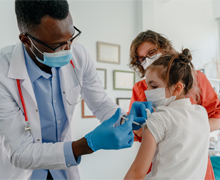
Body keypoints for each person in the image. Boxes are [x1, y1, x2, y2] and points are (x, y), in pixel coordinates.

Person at [0, 0, 145, 179]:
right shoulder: (3, 72)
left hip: (63, 171)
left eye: (71, 38)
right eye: (58, 45)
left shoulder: (79, 55)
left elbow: (100, 104)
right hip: (25, 173)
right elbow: (21, 152)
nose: (68, 49)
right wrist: (88, 144)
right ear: (26, 40)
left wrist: (126, 119)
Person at [128, 30, 220, 179]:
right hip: (160, 164)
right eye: (141, 59)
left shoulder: (196, 78)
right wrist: (135, 126)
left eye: (151, 52)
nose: (147, 59)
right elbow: (138, 133)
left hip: (195, 163)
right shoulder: (141, 88)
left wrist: (178, 130)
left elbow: (217, 118)